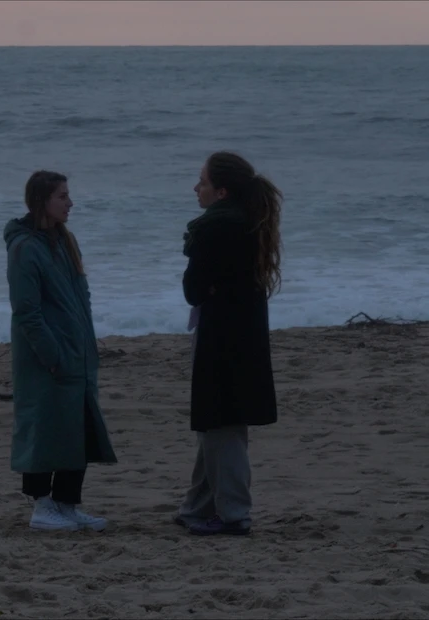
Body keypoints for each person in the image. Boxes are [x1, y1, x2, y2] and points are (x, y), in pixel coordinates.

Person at [3, 170, 117, 532]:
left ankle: (67, 504)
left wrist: (85, 346)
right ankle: (42, 505)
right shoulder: (25, 248)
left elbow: (82, 296)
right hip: (46, 358)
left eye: (68, 195)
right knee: (44, 427)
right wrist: (52, 355)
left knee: (77, 428)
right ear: (42, 201)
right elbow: (27, 312)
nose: (70, 203)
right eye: (62, 197)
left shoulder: (65, 241)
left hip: (77, 352)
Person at [175, 151, 282, 536]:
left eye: (202, 182)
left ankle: (234, 513)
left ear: (221, 191)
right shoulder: (249, 221)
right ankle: (197, 507)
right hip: (244, 332)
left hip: (223, 334)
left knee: (221, 423)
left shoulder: (216, 227)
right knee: (218, 423)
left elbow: (193, 289)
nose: (196, 188)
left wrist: (209, 287)